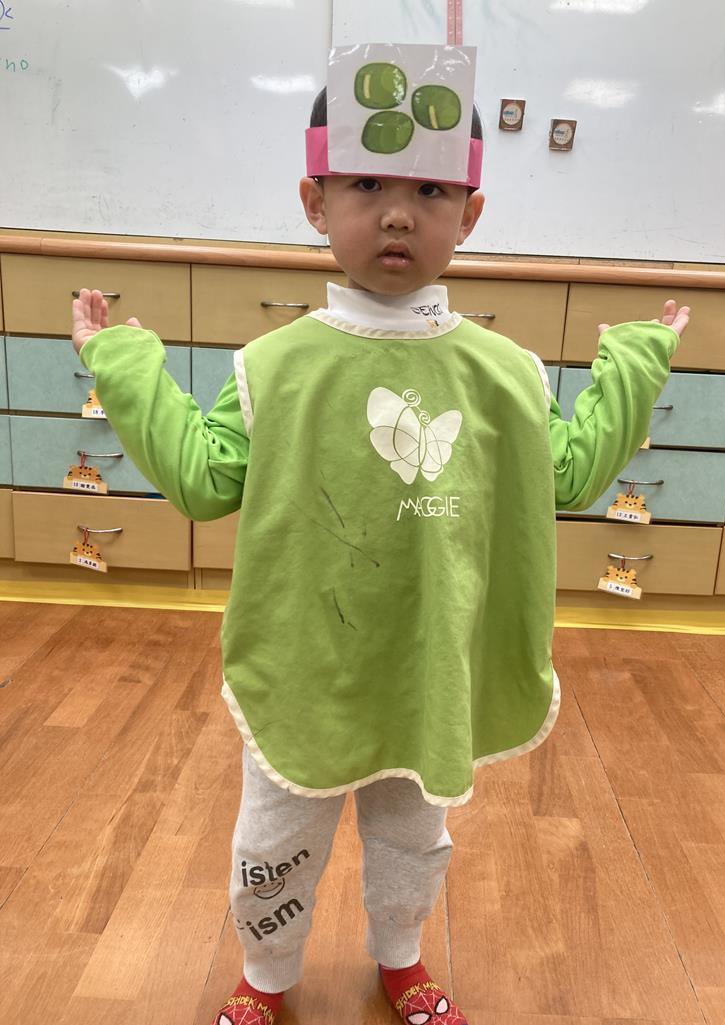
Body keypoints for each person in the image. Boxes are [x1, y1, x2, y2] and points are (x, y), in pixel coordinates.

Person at [72, 72, 689, 1025]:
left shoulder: (506, 374)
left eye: (430, 191)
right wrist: (123, 364)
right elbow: (202, 477)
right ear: (315, 202)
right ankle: (266, 972)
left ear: (468, 213)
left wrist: (634, 365)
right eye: (365, 185)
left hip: (427, 669)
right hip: (304, 667)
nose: (398, 214)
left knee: (413, 837)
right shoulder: (272, 366)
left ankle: (400, 958)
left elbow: (566, 473)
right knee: (274, 840)